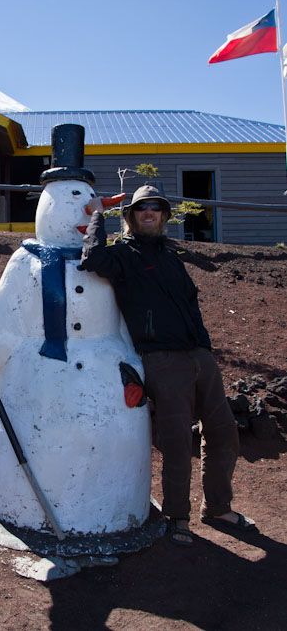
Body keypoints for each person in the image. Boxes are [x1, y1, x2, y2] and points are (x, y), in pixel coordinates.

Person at [81, 184, 255, 546]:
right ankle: (178, 518)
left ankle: (218, 507)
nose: (150, 213)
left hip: (200, 357)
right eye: (142, 208)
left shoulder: (170, 256)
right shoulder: (123, 255)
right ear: (130, 216)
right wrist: (99, 213)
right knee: (176, 443)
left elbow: (190, 304)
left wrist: (204, 347)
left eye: (157, 208)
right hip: (161, 360)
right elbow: (92, 259)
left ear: (164, 216)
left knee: (223, 434)